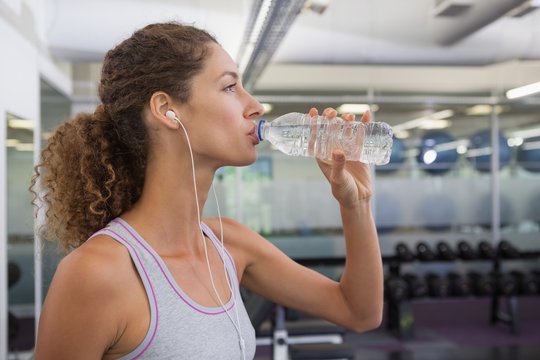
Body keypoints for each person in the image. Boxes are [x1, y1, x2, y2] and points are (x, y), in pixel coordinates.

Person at [32, 22, 383, 359]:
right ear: (167, 110)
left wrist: (358, 204)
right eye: (230, 87)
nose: (256, 106)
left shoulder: (229, 243)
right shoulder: (98, 273)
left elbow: (359, 312)